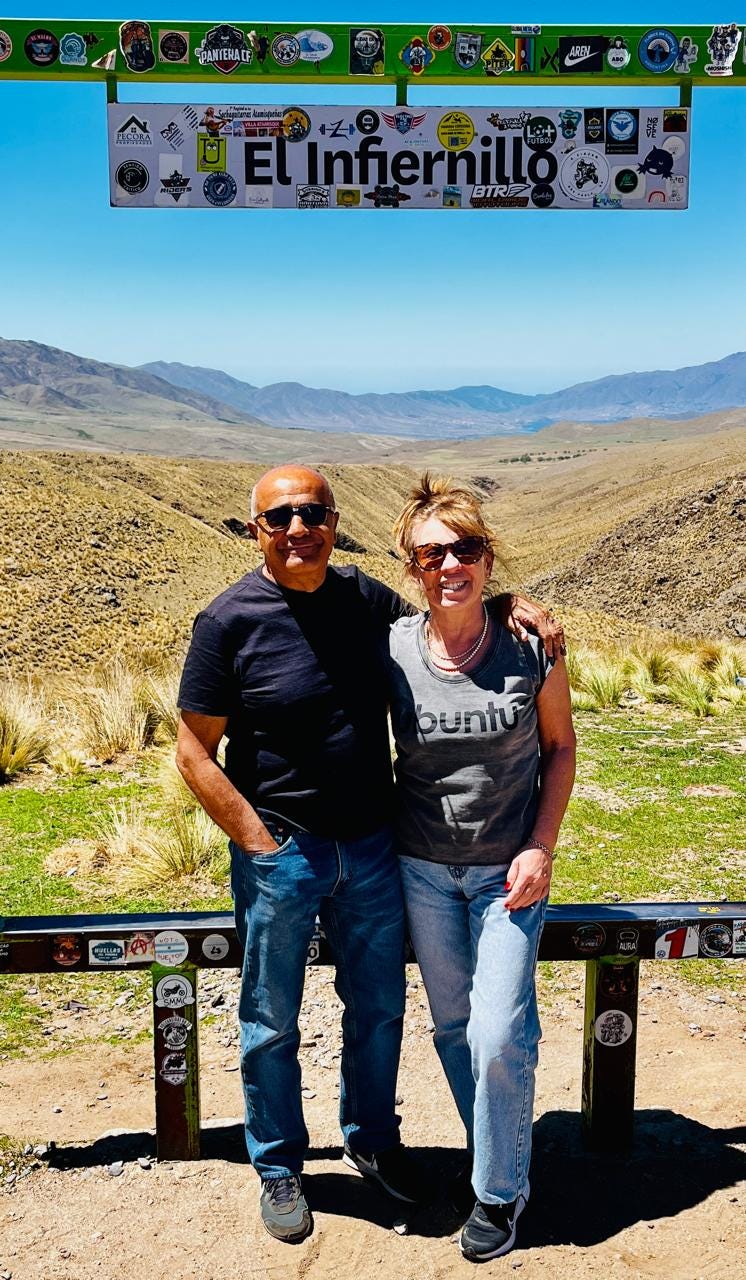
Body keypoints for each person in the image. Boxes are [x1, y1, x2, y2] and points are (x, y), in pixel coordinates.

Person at [176, 463, 563, 1244]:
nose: (298, 528)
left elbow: (446, 606)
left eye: (313, 513)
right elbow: (192, 751)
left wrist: (506, 603)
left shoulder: (365, 600)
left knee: (379, 1009)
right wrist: (259, 844)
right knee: (270, 1019)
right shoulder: (227, 622)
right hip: (285, 853)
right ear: (255, 529)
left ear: (334, 522)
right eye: (280, 516)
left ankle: (373, 1141)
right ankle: (279, 1166)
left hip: (377, 848)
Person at [387, 474, 576, 1261]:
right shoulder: (394, 647)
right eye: (432, 554)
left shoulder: (531, 645)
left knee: (499, 1031)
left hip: (509, 874)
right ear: (413, 569)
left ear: (488, 557)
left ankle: (499, 1192)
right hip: (422, 870)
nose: (449, 565)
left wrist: (541, 845)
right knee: (454, 1029)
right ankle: (494, 1153)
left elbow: (560, 748)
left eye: (464, 549)